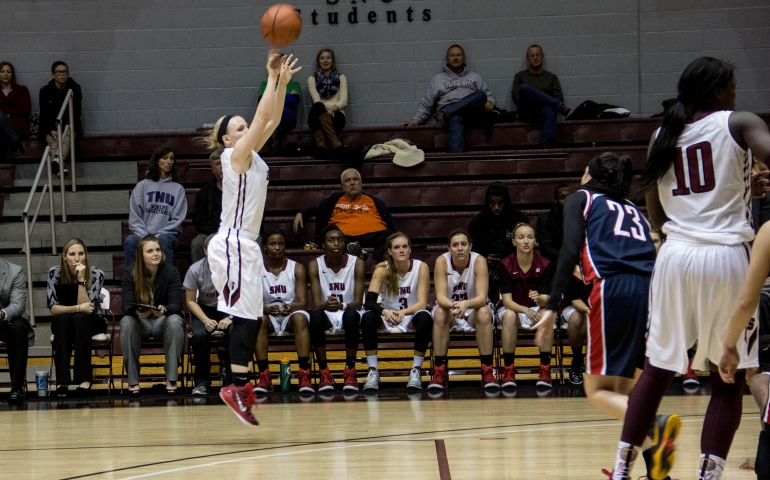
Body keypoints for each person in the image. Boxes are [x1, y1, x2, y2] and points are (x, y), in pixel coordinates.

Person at [607, 57, 770, 480]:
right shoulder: (739, 122)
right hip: (725, 258)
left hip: (675, 256)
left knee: (658, 367)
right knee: (726, 374)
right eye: (732, 86)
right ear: (718, 92)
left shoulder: (661, 134)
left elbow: (656, 210)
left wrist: (730, 194)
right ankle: (707, 474)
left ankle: (623, 468)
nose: (736, 93)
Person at [531, 154, 667, 480]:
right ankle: (648, 471)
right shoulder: (634, 209)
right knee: (624, 392)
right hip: (650, 290)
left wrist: (551, 308)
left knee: (597, 392)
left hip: (613, 288)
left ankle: (656, 426)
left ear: (590, 177)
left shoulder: (583, 197)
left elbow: (568, 251)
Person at [199, 52, 300, 426]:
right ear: (227, 138)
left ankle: (238, 386)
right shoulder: (233, 156)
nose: (247, 130)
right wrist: (270, 76)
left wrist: (283, 83)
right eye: (239, 128)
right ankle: (236, 387)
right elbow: (261, 117)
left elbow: (271, 119)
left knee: (251, 320)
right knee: (244, 317)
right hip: (233, 243)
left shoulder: (252, 153)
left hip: (244, 245)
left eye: (245, 128)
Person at [719, 221, 770, 480]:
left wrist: (728, 344)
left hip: (763, 297)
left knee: (758, 372)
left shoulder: (768, 230)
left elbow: (747, 300)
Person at [361, 232, 433, 390]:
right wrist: (385, 312)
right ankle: (373, 371)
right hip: (388, 315)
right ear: (390, 251)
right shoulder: (382, 268)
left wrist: (404, 312)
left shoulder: (421, 267)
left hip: (412, 314)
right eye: (397, 247)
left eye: (404, 247)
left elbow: (422, 303)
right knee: (368, 318)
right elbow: (370, 302)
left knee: (424, 318)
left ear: (410, 249)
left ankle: (416, 370)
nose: (401, 250)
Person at [429, 229, 496, 390]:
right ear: (449, 248)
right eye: (455, 245)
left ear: (470, 246)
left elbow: (481, 297)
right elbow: (440, 297)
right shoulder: (442, 261)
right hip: (450, 309)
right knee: (439, 313)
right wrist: (455, 306)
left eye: (463, 244)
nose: (460, 248)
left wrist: (465, 304)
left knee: (485, 312)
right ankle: (439, 370)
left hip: (473, 309)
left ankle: (487, 370)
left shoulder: (479, 261)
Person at [120, 235, 185, 395]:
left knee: (176, 321)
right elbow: (126, 304)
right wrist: (135, 311)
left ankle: (171, 379)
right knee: (126, 322)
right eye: (150, 251)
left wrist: (165, 310)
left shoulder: (171, 271)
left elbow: (177, 305)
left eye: (158, 250)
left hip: (161, 322)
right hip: (139, 322)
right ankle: (133, 381)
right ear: (141, 256)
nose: (156, 254)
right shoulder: (130, 272)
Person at [495, 222, 555, 389]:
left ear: (535, 240)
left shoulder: (545, 263)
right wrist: (526, 310)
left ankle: (545, 369)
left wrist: (539, 300)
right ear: (514, 242)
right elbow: (506, 301)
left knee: (548, 314)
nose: (526, 241)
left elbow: (547, 300)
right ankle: (508, 369)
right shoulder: (506, 264)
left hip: (535, 308)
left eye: (530, 237)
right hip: (514, 307)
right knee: (508, 316)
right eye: (521, 238)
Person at [403, 45, 495, 152]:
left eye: (458, 55)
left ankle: (446, 112)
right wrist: (415, 121)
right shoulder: (438, 79)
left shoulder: (475, 77)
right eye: (452, 55)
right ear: (447, 59)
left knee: (480, 94)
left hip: (471, 114)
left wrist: (490, 101)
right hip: (452, 118)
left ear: (463, 58)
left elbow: (487, 96)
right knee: (455, 118)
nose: (455, 58)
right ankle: (457, 163)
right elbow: (426, 103)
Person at [293, 168, 397, 262]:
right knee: (334, 235)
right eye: (348, 180)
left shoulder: (375, 202)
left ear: (361, 182)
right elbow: (314, 209)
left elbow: (390, 222)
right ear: (342, 186)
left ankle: (383, 261)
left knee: (387, 234)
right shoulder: (333, 200)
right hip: (344, 237)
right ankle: (354, 250)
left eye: (355, 179)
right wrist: (301, 214)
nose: (352, 183)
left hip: (374, 235)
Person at [254, 229, 313, 394]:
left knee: (300, 318)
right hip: (268, 313)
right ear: (264, 247)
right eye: (272, 244)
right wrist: (265, 308)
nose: (277, 247)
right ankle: (264, 377)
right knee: (259, 319)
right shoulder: (256, 269)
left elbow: (302, 302)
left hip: (290, 313)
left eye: (280, 244)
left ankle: (304, 374)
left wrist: (290, 307)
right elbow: (253, 301)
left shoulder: (297, 268)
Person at [307, 225, 366, 391]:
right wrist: (326, 305)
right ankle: (324, 372)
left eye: (340, 240)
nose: (336, 243)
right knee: (316, 316)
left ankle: (350, 371)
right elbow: (317, 304)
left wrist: (342, 305)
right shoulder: (314, 265)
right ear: (323, 244)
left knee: (351, 315)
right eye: (331, 240)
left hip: (349, 310)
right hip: (326, 313)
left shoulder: (357, 263)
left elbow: (358, 302)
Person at [47, 238, 107, 398]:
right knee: (65, 319)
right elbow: (53, 309)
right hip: (65, 320)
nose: (77, 258)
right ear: (64, 256)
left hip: (93, 320)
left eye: (80, 253)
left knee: (79, 319)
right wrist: (77, 308)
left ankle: (84, 379)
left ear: (85, 256)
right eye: (72, 254)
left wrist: (81, 281)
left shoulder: (96, 274)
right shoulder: (54, 273)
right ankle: (62, 381)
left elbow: (88, 308)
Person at [124, 145, 187, 268]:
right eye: (165, 158)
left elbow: (177, 219)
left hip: (167, 236)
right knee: (130, 241)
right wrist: (145, 237)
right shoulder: (142, 186)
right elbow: (135, 217)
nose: (169, 162)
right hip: (143, 235)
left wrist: (157, 237)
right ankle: (132, 282)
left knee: (163, 240)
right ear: (156, 161)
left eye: (172, 159)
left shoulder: (178, 189)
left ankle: (166, 282)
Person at [184, 234, 231, 396]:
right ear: (205, 251)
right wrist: (205, 320)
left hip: (229, 309)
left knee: (235, 332)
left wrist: (230, 318)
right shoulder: (195, 269)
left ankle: (231, 380)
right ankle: (202, 381)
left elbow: (244, 298)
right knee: (198, 335)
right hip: (204, 309)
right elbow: (190, 301)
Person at [467, 181, 529, 285]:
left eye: (500, 203)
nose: (496, 207)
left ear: (506, 202)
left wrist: (503, 267)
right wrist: (485, 260)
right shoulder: (477, 222)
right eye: (492, 203)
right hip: (485, 268)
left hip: (515, 266)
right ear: (487, 203)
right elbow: (472, 250)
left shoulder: (519, 219)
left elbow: (525, 247)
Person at [512, 45, 570, 149]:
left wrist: (541, 99)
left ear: (542, 57)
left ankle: (550, 142)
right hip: (526, 112)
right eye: (532, 56)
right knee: (525, 88)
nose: (535, 58)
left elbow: (559, 98)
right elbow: (517, 99)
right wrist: (543, 98)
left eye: (537, 55)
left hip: (545, 113)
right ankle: (559, 106)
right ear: (528, 59)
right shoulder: (520, 76)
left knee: (549, 108)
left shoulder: (551, 77)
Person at [39, 60, 82, 177]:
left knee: (66, 136)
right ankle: (59, 165)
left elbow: (76, 112)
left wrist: (61, 128)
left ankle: (57, 161)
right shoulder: (45, 91)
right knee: (53, 143)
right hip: (50, 127)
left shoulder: (74, 89)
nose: (62, 75)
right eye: (59, 72)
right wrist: (51, 130)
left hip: (69, 125)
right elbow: (44, 114)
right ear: (53, 75)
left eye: (64, 72)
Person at [0, 257, 32, 402]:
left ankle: (17, 387)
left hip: (6, 319)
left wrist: (2, 314)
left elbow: (18, 304)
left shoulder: (14, 271)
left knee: (19, 327)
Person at [308, 48, 347, 149]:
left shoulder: (341, 77)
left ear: (332, 60)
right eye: (322, 58)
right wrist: (325, 111)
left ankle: (323, 146)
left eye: (328, 58)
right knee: (316, 108)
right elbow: (317, 100)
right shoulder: (312, 79)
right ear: (318, 61)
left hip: (336, 114)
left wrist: (332, 110)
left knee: (315, 119)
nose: (325, 61)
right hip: (321, 111)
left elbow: (343, 101)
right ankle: (334, 143)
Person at [191, 149, 223, 264]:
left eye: (225, 162)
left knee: (257, 239)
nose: (222, 167)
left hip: (238, 231)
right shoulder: (204, 192)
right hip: (213, 232)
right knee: (198, 243)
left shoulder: (242, 188)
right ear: (212, 169)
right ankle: (200, 278)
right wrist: (215, 232)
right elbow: (199, 219)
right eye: (218, 164)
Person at [259, 73, 301, 155]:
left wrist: (271, 97)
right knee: (274, 113)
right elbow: (262, 101)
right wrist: (286, 97)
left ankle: (275, 143)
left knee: (278, 110)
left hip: (289, 119)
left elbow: (294, 100)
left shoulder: (294, 84)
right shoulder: (265, 84)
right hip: (271, 120)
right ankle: (276, 145)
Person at [0, 61, 30, 158]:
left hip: (18, 126)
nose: (5, 74)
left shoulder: (21, 90)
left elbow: (25, 110)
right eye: (2, 71)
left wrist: (5, 112)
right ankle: (14, 140)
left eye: (8, 72)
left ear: (12, 75)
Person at [536, 184, 573, 263]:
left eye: (570, 197)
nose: (567, 201)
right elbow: (546, 248)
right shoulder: (546, 219)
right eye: (562, 198)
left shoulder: (583, 216)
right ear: (555, 200)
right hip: (555, 264)